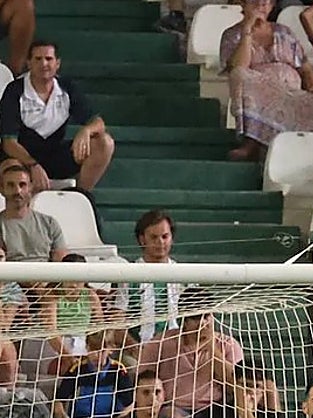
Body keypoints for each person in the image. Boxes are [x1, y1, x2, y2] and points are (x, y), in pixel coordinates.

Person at [221, 0, 313, 161]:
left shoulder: (284, 32)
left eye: (266, 2)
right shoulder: (232, 35)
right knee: (239, 75)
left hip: (289, 95)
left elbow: (305, 68)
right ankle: (252, 142)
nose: (261, 5)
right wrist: (247, 31)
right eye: (255, 1)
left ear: (272, 6)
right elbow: (239, 67)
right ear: (243, 4)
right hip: (259, 94)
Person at [0, 41, 114, 192]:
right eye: (38, 59)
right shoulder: (14, 91)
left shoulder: (67, 87)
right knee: (10, 167)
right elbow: (9, 143)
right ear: (29, 63)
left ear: (57, 63)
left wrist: (86, 131)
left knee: (104, 143)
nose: (44, 64)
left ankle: (81, 194)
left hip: (54, 155)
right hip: (22, 157)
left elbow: (98, 122)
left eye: (48, 59)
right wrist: (33, 164)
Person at [137, 291, 245, 414]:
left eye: (206, 316)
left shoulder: (228, 344)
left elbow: (235, 385)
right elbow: (142, 382)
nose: (202, 323)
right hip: (172, 407)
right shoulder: (160, 342)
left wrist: (211, 346)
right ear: (184, 320)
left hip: (214, 407)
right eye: (196, 317)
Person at [51, 330, 132, 418]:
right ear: (87, 348)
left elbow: (131, 405)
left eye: (102, 351)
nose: (97, 355)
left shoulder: (118, 371)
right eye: (93, 350)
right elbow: (58, 401)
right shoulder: (77, 370)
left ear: (111, 349)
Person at [113, 209, 183, 344]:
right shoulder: (129, 275)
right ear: (142, 239)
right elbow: (117, 323)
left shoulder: (184, 275)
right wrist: (135, 349)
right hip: (136, 348)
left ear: (171, 238)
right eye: (154, 237)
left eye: (165, 236)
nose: (160, 242)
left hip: (176, 348)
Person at [0, 162, 66, 262]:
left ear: (30, 187)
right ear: (2, 189)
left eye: (22, 185)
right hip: (12, 271)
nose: (17, 191)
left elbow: (62, 261)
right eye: (11, 185)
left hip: (47, 271)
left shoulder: (49, 223)